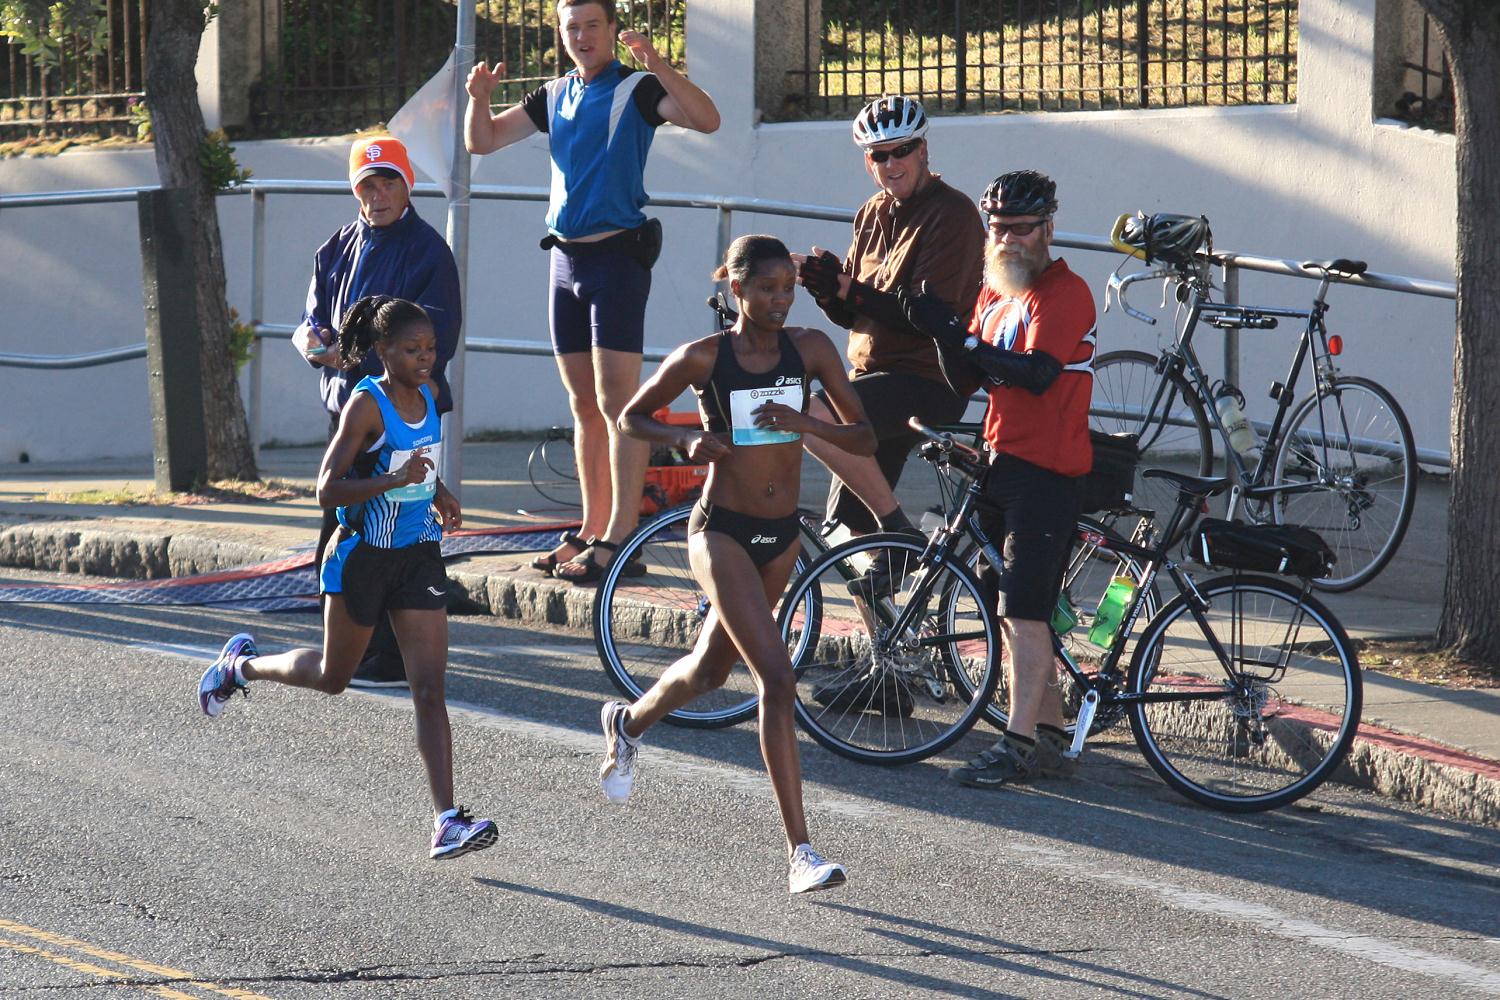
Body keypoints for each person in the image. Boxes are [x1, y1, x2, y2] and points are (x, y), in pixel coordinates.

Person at [600, 235, 875, 893]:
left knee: (708, 668)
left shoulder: (810, 348)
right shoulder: (704, 358)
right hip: (720, 530)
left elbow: (863, 436)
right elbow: (630, 418)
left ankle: (627, 722)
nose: (780, 301)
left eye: (788, 289)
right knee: (776, 679)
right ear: (736, 290)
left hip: (780, 537)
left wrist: (807, 424)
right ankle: (801, 854)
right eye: (767, 290)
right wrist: (686, 439)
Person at [200, 296, 498, 860]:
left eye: (431, 348)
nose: (426, 359)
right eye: (412, 350)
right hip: (361, 556)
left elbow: (418, 465)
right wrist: (396, 483)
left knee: (430, 690)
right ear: (384, 352)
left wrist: (438, 491)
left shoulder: (431, 396)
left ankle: (445, 820)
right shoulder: (367, 404)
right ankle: (239, 666)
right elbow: (326, 489)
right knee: (336, 676)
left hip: (417, 555)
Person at [463, 0, 720, 584]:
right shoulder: (554, 95)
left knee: (619, 407)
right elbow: (482, 142)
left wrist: (657, 61)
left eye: (592, 26)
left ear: (611, 31)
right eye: (571, 27)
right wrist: (479, 97)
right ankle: (591, 526)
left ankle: (620, 539)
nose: (581, 36)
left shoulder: (636, 90)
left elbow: (707, 120)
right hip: (564, 261)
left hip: (616, 262)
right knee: (583, 407)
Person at [901, 170, 1097, 788]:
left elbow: (1035, 373)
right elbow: (967, 382)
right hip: (998, 461)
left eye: (1021, 228)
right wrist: (937, 332)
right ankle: (1050, 736)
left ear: (1047, 228)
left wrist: (957, 334)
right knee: (1004, 613)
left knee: (1027, 611)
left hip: (1046, 472)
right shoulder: (994, 292)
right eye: (999, 228)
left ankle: (1014, 745)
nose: (1008, 239)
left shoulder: (1064, 292)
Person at [291, 134, 462, 689]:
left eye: (389, 181)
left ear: (406, 185)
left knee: (399, 526)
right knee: (341, 527)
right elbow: (311, 319)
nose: (378, 193)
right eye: (367, 183)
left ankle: (386, 654)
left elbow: (435, 340)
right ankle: (346, 648)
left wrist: (357, 355)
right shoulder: (334, 248)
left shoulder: (429, 251)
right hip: (348, 411)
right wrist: (312, 342)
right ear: (355, 190)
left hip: (402, 415)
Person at [793, 94, 984, 547]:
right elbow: (853, 312)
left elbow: (923, 316)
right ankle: (892, 613)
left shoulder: (952, 213)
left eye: (902, 150)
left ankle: (896, 522)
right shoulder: (872, 213)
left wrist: (844, 287)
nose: (892, 163)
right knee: (846, 538)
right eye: (880, 155)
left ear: (923, 151)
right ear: (868, 162)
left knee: (803, 412)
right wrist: (824, 286)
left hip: (928, 378)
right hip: (873, 378)